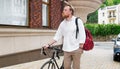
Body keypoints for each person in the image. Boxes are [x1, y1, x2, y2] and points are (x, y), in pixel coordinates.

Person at [44, 4, 86, 69]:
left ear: (70, 11)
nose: (63, 11)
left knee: (76, 67)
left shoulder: (77, 21)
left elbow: (82, 33)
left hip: (76, 49)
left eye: (65, 10)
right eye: (63, 10)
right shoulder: (62, 24)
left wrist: (81, 46)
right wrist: (48, 44)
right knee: (66, 67)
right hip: (66, 50)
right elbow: (57, 36)